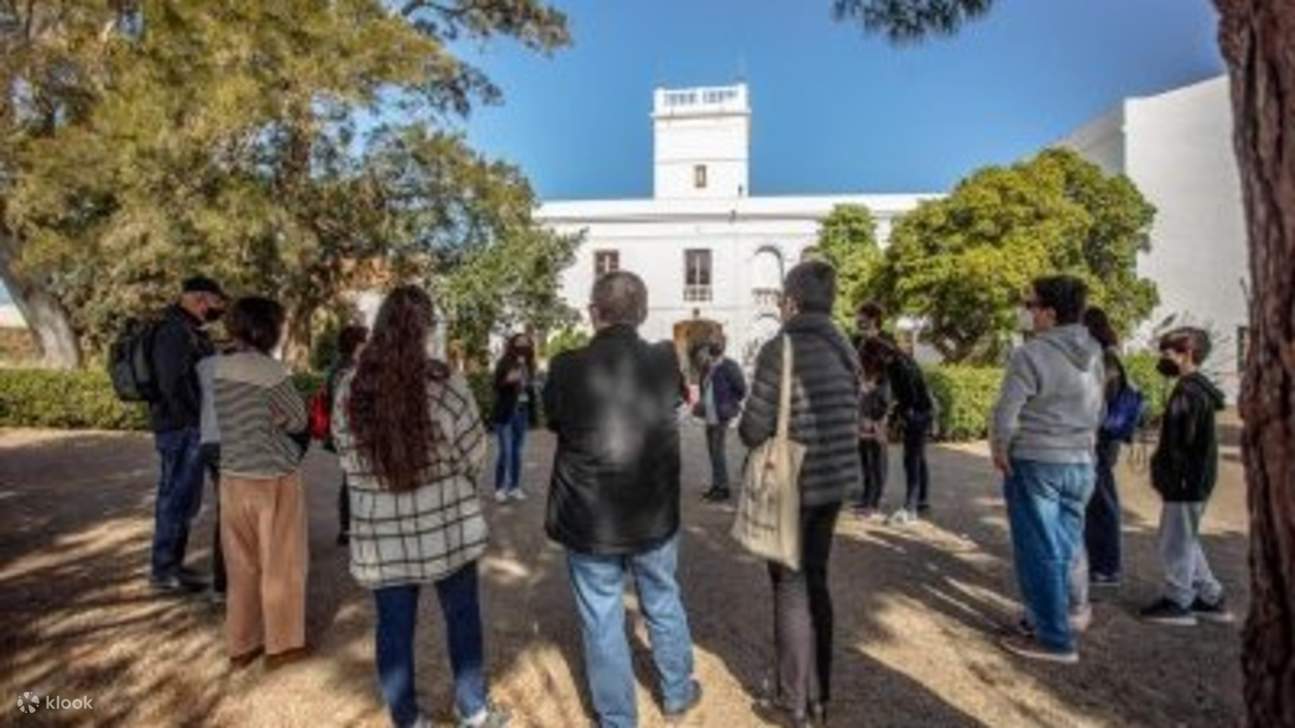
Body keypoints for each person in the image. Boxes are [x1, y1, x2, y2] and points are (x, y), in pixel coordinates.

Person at [333, 286, 508, 728]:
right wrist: (450, 484)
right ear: (427, 328)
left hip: (381, 533)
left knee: (393, 627)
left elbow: (346, 457)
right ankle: (473, 709)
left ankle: (407, 719)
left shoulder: (350, 388)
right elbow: (474, 452)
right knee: (462, 617)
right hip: (446, 524)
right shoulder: (444, 382)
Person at [544, 271, 701, 728]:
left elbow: (554, 419)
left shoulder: (566, 365)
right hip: (651, 508)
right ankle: (676, 692)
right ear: (643, 313)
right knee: (662, 598)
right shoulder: (663, 358)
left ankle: (618, 719)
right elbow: (673, 403)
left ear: (595, 313)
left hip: (588, 513)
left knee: (601, 617)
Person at [738, 261, 860, 728]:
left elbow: (752, 429)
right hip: (833, 482)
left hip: (792, 483)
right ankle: (820, 695)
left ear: (790, 299)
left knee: (789, 586)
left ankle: (795, 701)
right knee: (817, 580)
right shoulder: (844, 346)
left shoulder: (780, 347)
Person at [990, 275, 1104, 665]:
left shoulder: (1031, 354)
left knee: (1038, 550)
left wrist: (1000, 448)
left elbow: (1007, 411)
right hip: (1081, 460)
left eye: (1031, 305)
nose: (1028, 312)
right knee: (1067, 545)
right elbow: (1098, 408)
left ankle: (1054, 639)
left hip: (1038, 460)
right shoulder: (1094, 351)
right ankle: (1064, 614)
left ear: (1050, 313)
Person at [209, 297, 310, 669]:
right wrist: (279, 422)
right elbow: (298, 420)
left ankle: (241, 645)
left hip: (233, 474)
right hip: (274, 476)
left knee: (241, 566)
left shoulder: (220, 368)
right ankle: (281, 645)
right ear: (269, 328)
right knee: (282, 563)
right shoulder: (273, 371)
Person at [1139, 327, 1232, 626]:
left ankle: (1179, 601)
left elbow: (1183, 442)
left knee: (1175, 541)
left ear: (1186, 354)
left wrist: (1170, 477)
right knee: (1185, 538)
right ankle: (1210, 595)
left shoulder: (1187, 392)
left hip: (1185, 482)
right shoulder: (1199, 390)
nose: (1162, 358)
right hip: (1195, 480)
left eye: (1167, 352)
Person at [148, 275, 225, 593]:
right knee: (176, 498)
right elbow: (172, 384)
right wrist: (196, 416)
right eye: (215, 302)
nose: (216, 309)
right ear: (200, 299)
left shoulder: (186, 330)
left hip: (184, 426)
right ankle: (164, 570)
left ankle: (172, 565)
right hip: (182, 428)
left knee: (184, 499)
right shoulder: (175, 331)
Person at [1082, 308, 1128, 587]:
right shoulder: (1109, 355)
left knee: (1102, 503)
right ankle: (1101, 563)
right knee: (1098, 502)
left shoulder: (1106, 359)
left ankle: (1107, 566)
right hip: (1104, 440)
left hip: (1101, 440)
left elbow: (1101, 402)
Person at [874, 338, 934, 525]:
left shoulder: (897, 366)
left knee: (911, 460)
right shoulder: (906, 360)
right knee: (919, 458)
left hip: (916, 415)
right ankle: (921, 500)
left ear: (883, 355)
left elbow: (908, 396)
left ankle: (910, 508)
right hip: (924, 412)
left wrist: (895, 418)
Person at [325, 324, 369, 545]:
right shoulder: (347, 369)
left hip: (345, 431)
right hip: (351, 432)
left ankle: (348, 528)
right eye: (366, 340)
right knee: (352, 479)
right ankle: (348, 529)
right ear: (357, 344)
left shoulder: (342, 366)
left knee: (350, 479)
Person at [696, 336, 747, 502]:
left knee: (717, 450)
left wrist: (729, 403)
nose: (714, 346)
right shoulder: (706, 366)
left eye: (717, 344)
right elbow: (702, 386)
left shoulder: (729, 366)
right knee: (712, 451)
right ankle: (716, 485)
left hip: (721, 415)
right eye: (712, 344)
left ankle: (723, 488)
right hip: (709, 415)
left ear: (722, 347)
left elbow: (741, 388)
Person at [491, 333, 539, 503]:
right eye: (519, 343)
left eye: (526, 344)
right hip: (505, 412)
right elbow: (495, 386)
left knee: (517, 452)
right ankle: (499, 488)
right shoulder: (504, 362)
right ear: (513, 345)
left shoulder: (530, 365)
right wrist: (507, 380)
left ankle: (514, 487)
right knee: (505, 452)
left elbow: (530, 391)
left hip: (522, 411)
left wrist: (534, 415)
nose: (523, 347)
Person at [854, 341, 892, 519]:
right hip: (863, 424)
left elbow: (885, 402)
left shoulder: (883, 377)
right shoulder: (864, 376)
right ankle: (867, 497)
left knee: (876, 464)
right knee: (866, 463)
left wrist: (874, 418)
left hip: (876, 426)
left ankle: (875, 503)